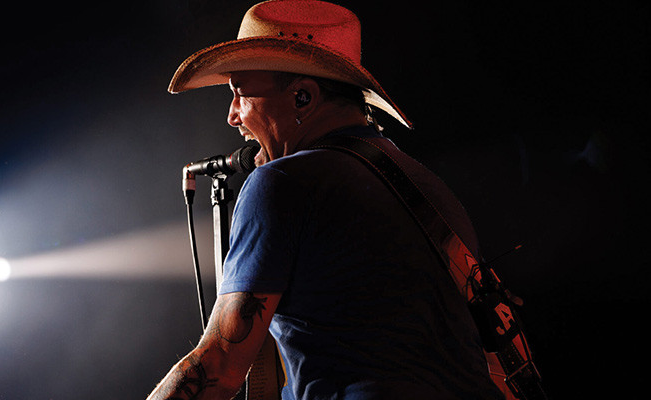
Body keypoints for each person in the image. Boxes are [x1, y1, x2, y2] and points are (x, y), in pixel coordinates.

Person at [148, 1, 507, 399]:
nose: (233, 116)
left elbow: (218, 368)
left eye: (240, 93)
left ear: (302, 97)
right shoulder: (429, 189)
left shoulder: (281, 182)